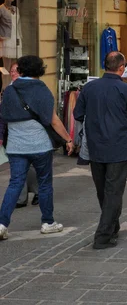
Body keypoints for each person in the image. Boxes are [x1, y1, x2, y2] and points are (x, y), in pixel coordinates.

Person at [74, 52, 127, 249]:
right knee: (113, 190)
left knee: (103, 190)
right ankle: (103, 235)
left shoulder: (89, 88)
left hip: (96, 147)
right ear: (121, 68)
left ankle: (112, 226)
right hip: (119, 146)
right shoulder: (125, 89)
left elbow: (77, 114)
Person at [0, 55, 74, 240]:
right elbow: (54, 121)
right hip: (40, 144)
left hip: (16, 146)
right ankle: (48, 222)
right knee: (45, 183)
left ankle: (2, 224)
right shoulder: (42, 89)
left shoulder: (9, 90)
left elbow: (5, 116)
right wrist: (68, 139)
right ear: (40, 70)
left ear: (21, 69)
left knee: (15, 183)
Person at [0, 62, 39, 208]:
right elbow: (2, 115)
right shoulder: (8, 89)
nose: (13, 73)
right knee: (17, 166)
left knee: (30, 165)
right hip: (13, 134)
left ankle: (38, 191)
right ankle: (21, 198)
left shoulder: (31, 88)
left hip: (30, 133)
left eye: (15, 71)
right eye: (11, 71)